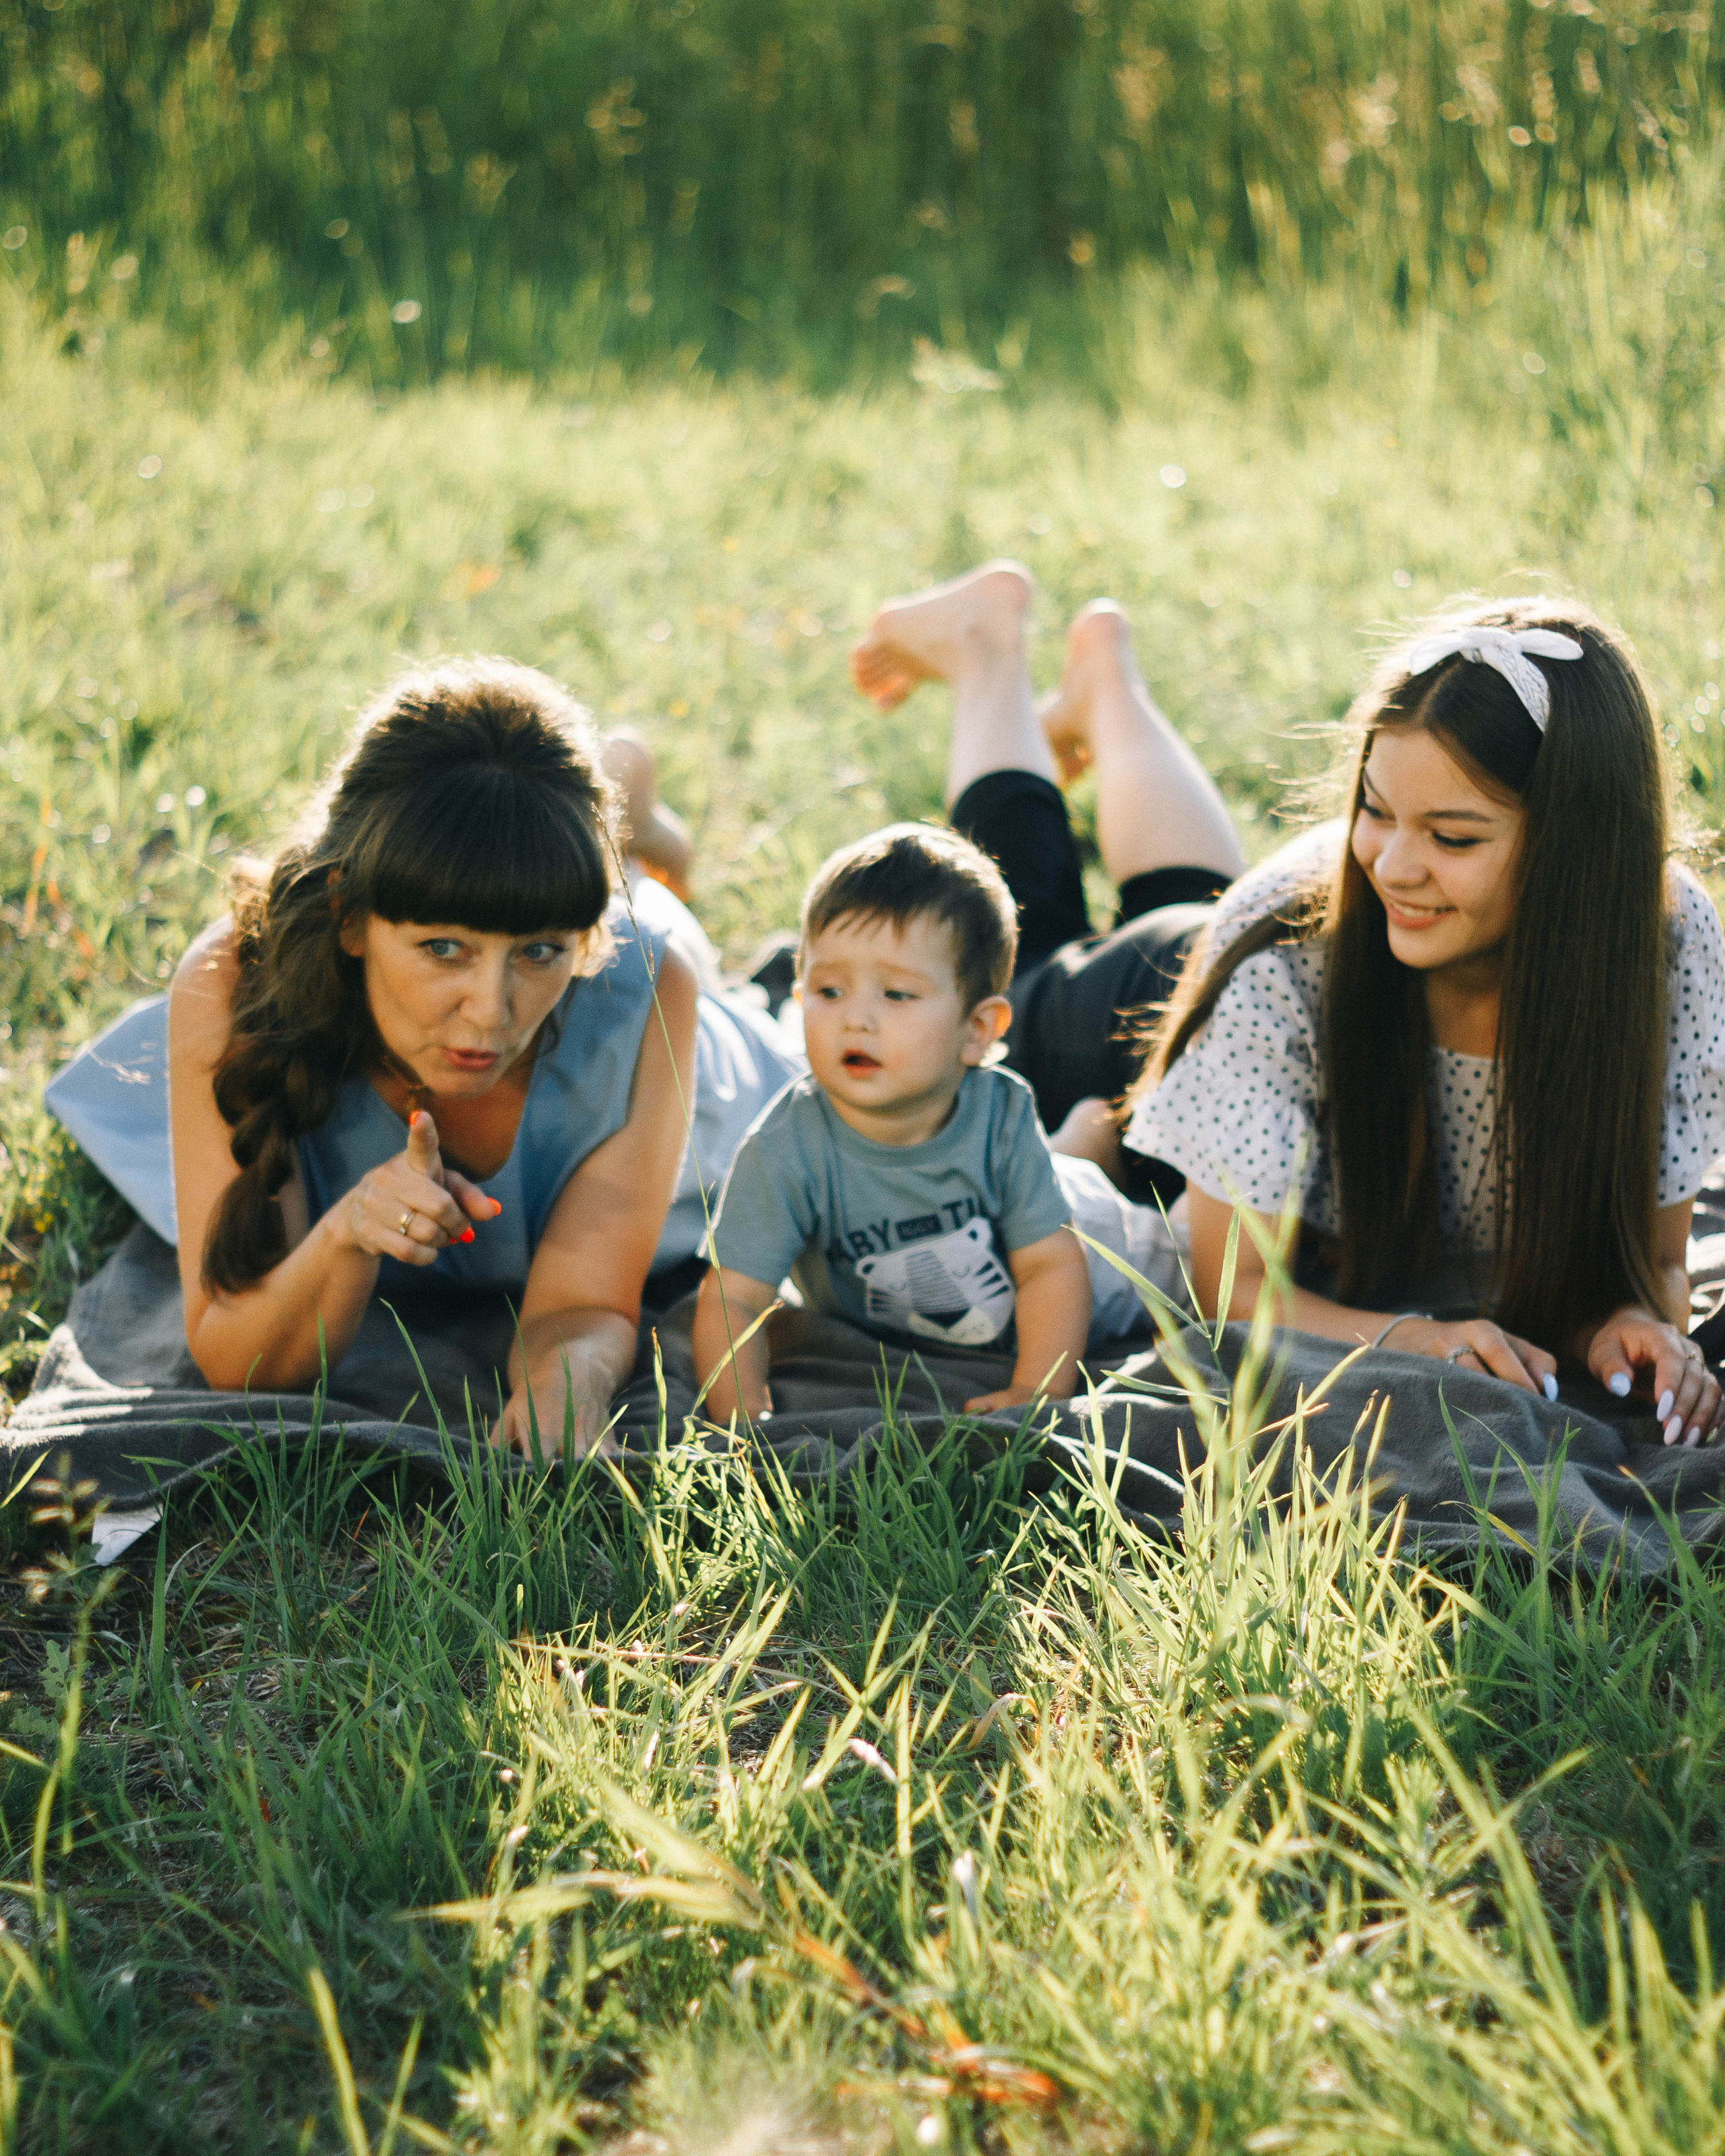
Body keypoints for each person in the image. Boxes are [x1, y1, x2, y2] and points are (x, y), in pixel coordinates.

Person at [850, 565, 1725, 1444]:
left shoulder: (1666, 937)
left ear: (1583, 851)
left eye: (1451, 836)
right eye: (1374, 811)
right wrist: (1412, 1340)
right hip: (1141, 1012)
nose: (1390, 864)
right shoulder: (1285, 956)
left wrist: (1630, 1321)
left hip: (1229, 945)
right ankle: (987, 650)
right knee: (1024, 938)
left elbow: (1652, 1261)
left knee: (1186, 898)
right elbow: (1227, 1289)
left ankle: (1104, 686)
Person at [691, 825, 1094, 1423]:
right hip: (903, 1324)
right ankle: (1083, 1141)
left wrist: (1036, 1392)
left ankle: (1092, 1140)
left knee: (1144, 1237)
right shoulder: (786, 1146)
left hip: (1097, 1236)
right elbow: (735, 1297)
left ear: (976, 1030)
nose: (856, 1019)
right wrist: (744, 1421)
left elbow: (1050, 1265)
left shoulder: (1001, 1118)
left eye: (897, 995)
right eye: (829, 990)